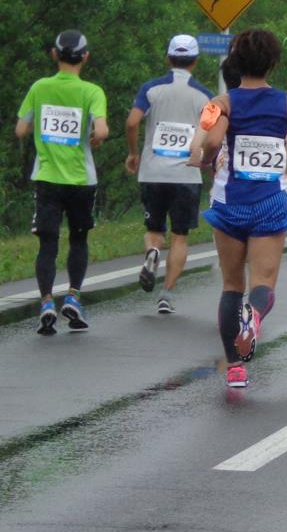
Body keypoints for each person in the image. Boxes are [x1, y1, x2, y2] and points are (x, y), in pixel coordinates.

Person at [193, 30, 287, 389]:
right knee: (262, 284)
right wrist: (286, 173)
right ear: (274, 63)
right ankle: (255, 315)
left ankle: (234, 367)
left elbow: (215, 140)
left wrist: (206, 159)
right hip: (270, 202)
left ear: (235, 63)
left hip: (230, 202)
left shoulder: (225, 101)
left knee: (232, 285)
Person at [16, 30, 108, 335]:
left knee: (48, 243)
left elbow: (20, 129)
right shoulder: (92, 92)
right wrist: (95, 137)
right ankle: (73, 297)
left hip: (47, 178)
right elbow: (103, 130)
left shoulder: (39, 87)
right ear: (86, 57)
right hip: (82, 179)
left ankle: (45, 303)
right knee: (79, 239)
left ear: (54, 55)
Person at [124, 34, 214, 315]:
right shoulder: (206, 96)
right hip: (187, 176)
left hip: (153, 172)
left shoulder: (150, 89)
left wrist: (133, 151)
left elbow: (132, 121)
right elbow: (211, 132)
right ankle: (166, 293)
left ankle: (152, 253)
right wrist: (207, 160)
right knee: (180, 236)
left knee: (154, 229)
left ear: (168, 58)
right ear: (196, 61)